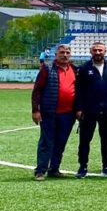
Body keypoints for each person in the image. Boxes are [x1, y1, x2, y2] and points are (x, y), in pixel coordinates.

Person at [31, 44, 77, 181]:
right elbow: (37, 90)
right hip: (49, 113)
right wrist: (35, 110)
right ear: (56, 55)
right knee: (46, 142)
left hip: (68, 114)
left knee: (60, 142)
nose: (65, 55)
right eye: (62, 52)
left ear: (70, 55)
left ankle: (54, 169)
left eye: (67, 52)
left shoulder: (74, 70)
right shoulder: (47, 69)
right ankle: (40, 171)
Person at [74, 41, 107, 177]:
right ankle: (82, 167)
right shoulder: (83, 68)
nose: (98, 52)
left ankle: (106, 166)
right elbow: (78, 90)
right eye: (95, 50)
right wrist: (79, 108)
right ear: (90, 52)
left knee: (106, 140)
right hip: (88, 110)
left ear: (105, 51)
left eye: (100, 50)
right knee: (85, 140)